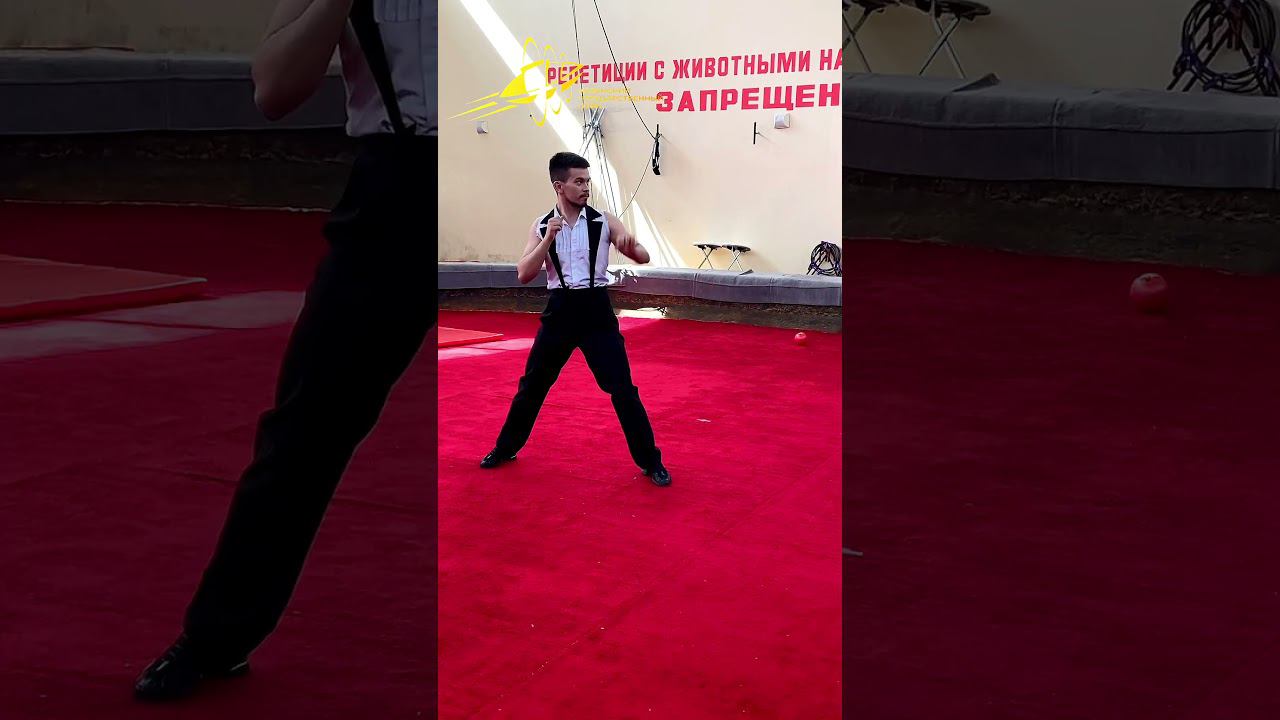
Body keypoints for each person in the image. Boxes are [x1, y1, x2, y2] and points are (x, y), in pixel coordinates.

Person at [134, 0, 436, 701]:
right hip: (397, 192)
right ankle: (217, 638)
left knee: (570, 379)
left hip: (513, 170)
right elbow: (273, 89)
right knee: (307, 428)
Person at [479, 152, 672, 488]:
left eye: (587, 181)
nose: (586, 188)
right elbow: (524, 273)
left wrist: (630, 247)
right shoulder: (541, 225)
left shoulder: (604, 221)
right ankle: (505, 448)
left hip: (597, 311)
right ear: (559, 186)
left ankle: (651, 462)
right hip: (560, 311)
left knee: (623, 389)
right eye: (578, 181)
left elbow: (643, 255)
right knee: (533, 386)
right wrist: (547, 239)